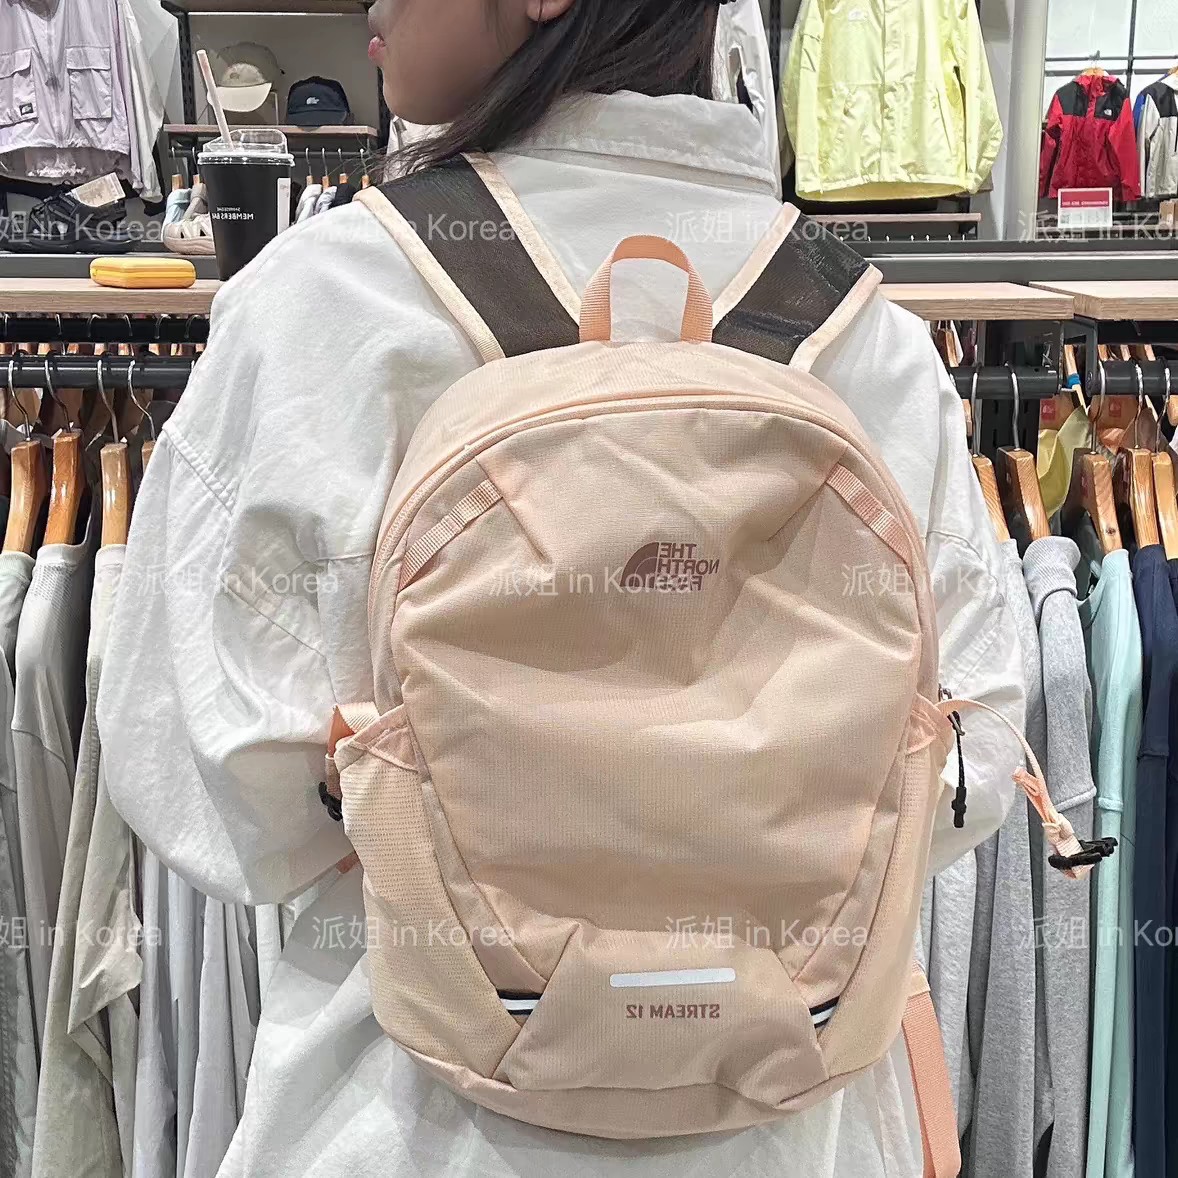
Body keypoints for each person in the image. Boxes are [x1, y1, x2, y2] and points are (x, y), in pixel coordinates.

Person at [97, 1, 1026, 1174]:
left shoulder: (333, 300)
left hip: (421, 1115)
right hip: (791, 1099)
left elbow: (205, 785)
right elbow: (966, 773)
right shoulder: (865, 329)